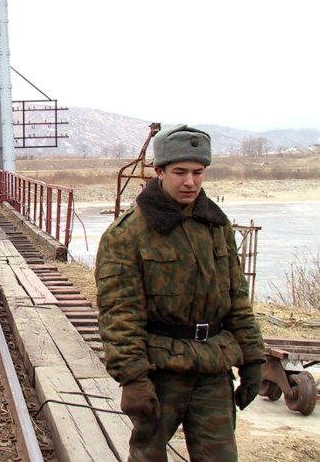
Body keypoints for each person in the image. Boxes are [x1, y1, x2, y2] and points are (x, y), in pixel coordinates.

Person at [95, 125, 265, 462]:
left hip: (213, 370)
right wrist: (133, 377)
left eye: (198, 173)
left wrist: (253, 358)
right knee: (148, 457)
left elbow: (237, 300)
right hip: (162, 372)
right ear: (159, 172)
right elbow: (119, 313)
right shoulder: (128, 233)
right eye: (180, 172)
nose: (190, 182)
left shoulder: (216, 226)